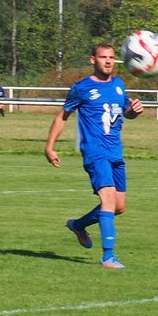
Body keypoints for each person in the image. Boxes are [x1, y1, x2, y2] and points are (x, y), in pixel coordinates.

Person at [43, 41, 146, 269]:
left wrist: (134, 111)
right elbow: (62, 116)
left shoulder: (119, 85)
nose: (108, 61)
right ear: (93, 60)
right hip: (95, 152)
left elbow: (125, 113)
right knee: (107, 199)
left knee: (118, 207)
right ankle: (109, 257)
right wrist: (49, 147)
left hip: (115, 152)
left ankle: (78, 225)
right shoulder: (81, 88)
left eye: (111, 57)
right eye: (103, 57)